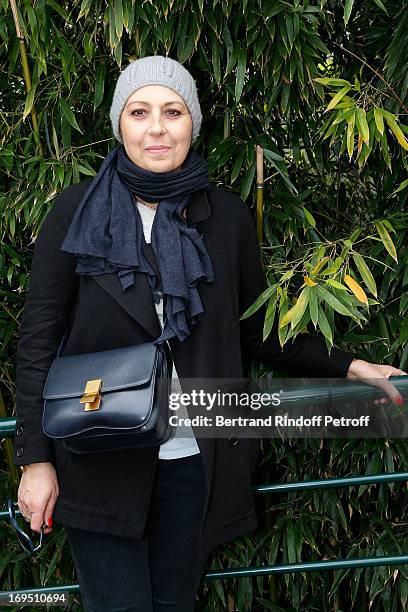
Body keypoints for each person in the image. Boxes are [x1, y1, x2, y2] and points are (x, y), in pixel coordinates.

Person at [13, 55, 406, 612]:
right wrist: (36, 460)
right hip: (97, 456)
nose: (156, 128)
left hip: (192, 460)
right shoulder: (76, 210)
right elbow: (38, 340)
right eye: (139, 112)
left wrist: (349, 366)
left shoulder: (224, 216)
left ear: (192, 122)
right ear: (118, 123)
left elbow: (258, 332)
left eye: (172, 112)